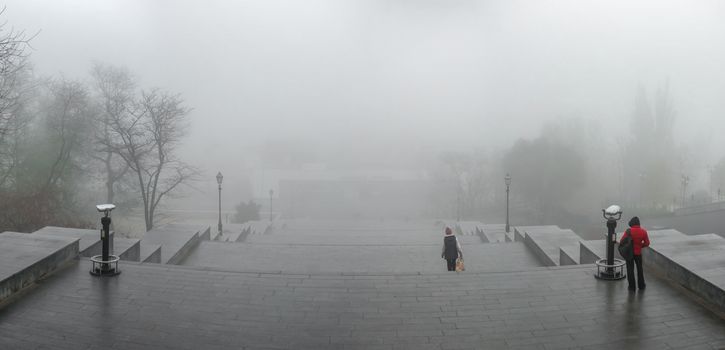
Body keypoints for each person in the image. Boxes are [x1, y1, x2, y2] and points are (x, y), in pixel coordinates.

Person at [620, 216, 650, 291]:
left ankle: (631, 287)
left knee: (630, 270)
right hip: (638, 253)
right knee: (640, 269)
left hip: (630, 253)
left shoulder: (629, 231)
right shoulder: (643, 231)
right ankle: (641, 285)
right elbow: (647, 243)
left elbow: (622, 241)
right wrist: (640, 246)